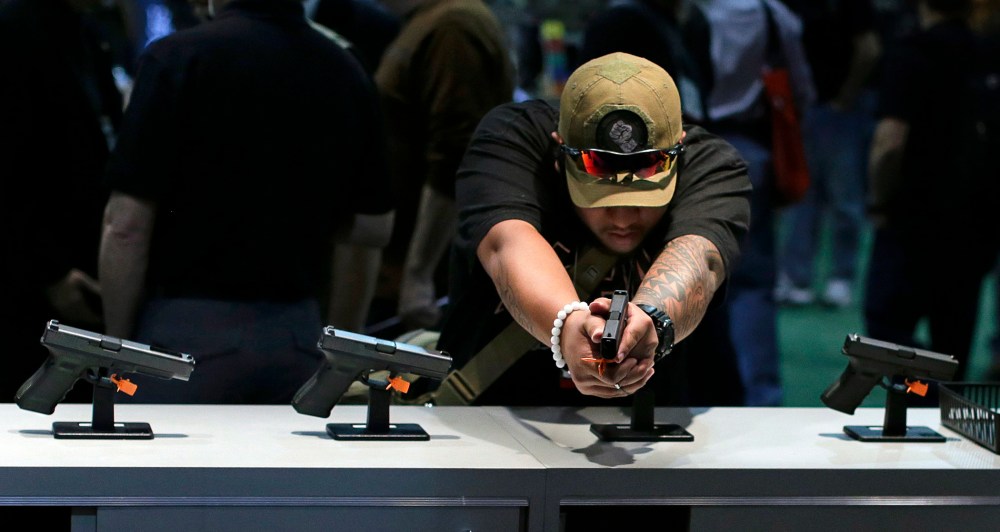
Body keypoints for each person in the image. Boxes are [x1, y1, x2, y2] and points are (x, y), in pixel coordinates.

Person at [98, 0, 395, 404]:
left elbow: (126, 226)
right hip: (299, 338)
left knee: (164, 466)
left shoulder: (175, 58)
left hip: (184, 335)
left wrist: (116, 352)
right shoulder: (345, 66)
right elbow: (374, 229)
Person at [432, 52, 751, 407]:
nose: (622, 219)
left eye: (644, 199)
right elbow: (506, 244)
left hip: (647, 428)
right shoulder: (512, 141)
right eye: (599, 198)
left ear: (678, 151)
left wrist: (650, 323)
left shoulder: (711, 166)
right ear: (559, 150)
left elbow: (700, 259)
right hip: (494, 415)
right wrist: (567, 326)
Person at [865, 0, 1000, 391]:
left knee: (888, 330)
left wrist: (879, 199)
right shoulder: (986, 53)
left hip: (911, 217)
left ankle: (916, 394)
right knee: (954, 337)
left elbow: (889, 142)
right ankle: (939, 405)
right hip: (975, 220)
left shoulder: (913, 51)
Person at [0, 0, 124, 402]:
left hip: (77, 270)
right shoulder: (17, 27)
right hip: (31, 280)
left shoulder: (84, 32)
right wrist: (48, 270)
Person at [693, 0, 815, 406]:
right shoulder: (768, 12)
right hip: (747, 149)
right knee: (750, 282)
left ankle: (704, 395)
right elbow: (800, 87)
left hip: (687, 150)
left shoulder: (689, 11)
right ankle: (761, 398)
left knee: (692, 275)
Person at [373, 0, 516, 333]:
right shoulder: (428, 21)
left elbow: (456, 154)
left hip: (423, 284)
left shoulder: (454, 26)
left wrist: (418, 275)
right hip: (400, 268)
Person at [775, 0, 881, 308]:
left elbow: (869, 49)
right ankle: (797, 278)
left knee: (845, 197)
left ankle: (841, 277)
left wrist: (846, 97)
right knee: (803, 196)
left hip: (842, 110)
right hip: (806, 108)